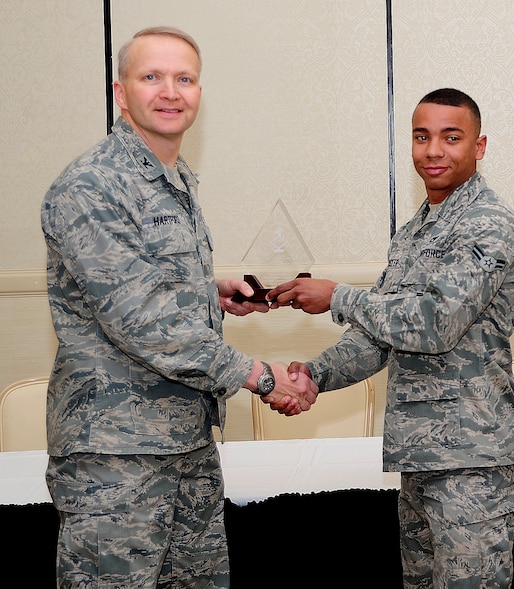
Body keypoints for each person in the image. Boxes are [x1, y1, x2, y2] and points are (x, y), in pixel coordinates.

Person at [40, 27, 317, 588]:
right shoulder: (92, 186)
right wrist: (259, 376)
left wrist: (206, 292)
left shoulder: (175, 179)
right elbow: (143, 320)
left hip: (185, 442)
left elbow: (146, 288)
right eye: (152, 77)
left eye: (184, 78)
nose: (171, 91)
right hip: (116, 458)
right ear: (122, 93)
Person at [264, 88, 514, 588]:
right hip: (419, 456)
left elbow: (435, 324)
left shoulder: (490, 225)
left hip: (470, 461)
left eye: (452, 137)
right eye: (421, 136)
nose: (434, 150)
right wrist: (313, 375)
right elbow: (378, 336)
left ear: (480, 145)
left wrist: (339, 296)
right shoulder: (413, 233)